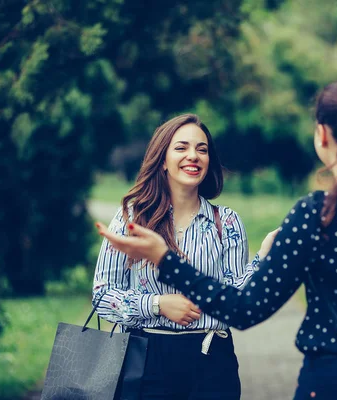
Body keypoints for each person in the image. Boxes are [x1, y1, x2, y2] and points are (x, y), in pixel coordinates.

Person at [97, 80, 337, 399]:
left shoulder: (318, 215)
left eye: (202, 148)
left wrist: (166, 259)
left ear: (322, 136)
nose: (193, 156)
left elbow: (244, 308)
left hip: (335, 378)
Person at [92, 113, 261, 400]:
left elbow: (235, 301)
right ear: (162, 160)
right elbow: (102, 295)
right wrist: (157, 304)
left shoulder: (228, 223)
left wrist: (262, 260)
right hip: (144, 360)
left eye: (202, 149)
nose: (193, 156)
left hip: (212, 360)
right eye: (181, 148)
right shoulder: (132, 219)